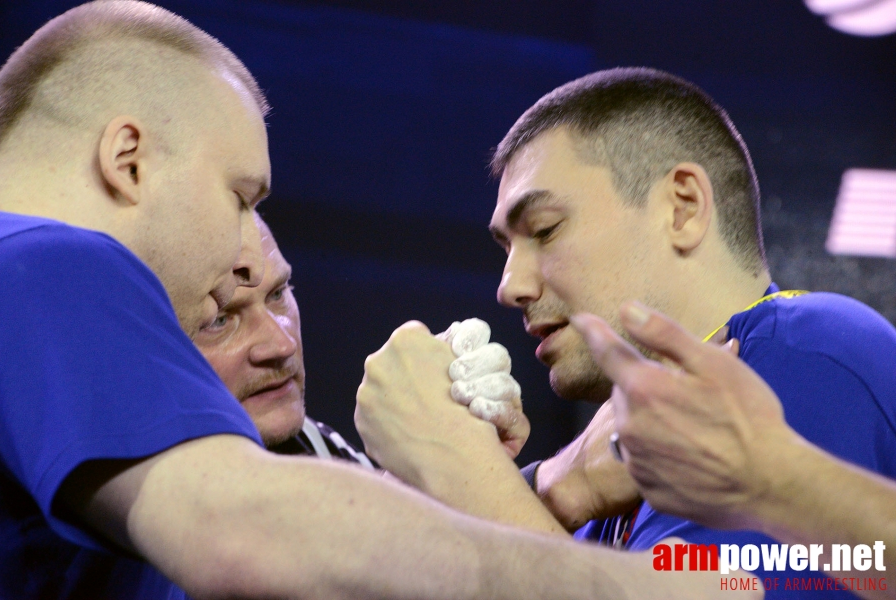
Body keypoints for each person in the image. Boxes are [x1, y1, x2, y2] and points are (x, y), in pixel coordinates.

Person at [0, 4, 749, 598]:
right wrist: (648, 589)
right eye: (239, 195)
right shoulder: (44, 258)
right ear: (127, 161)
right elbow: (249, 535)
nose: (242, 244)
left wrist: (549, 485)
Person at [354, 67, 896, 597]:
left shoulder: (807, 350)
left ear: (682, 207)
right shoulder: (614, 487)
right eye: (506, 249)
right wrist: (542, 489)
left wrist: (462, 471)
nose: (510, 286)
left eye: (545, 229)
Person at [571, 303, 896, 600]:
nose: (518, 287)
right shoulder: (619, 434)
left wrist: (523, 498)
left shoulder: (797, 352)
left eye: (547, 235)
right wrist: (552, 487)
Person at [194, 215, 374, 468]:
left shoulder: (320, 448)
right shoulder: (131, 502)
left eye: (277, 294)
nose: (283, 345)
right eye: (219, 321)